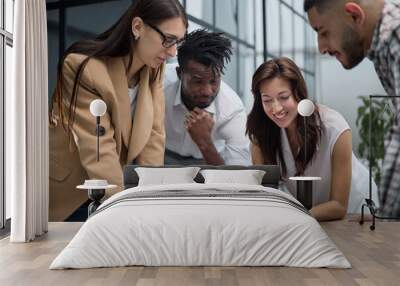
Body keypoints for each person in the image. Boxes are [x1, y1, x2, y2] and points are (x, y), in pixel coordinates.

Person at [49, 0, 187, 221]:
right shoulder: (83, 67)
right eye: (167, 40)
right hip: (74, 195)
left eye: (178, 42)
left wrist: (152, 200)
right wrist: (128, 212)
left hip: (119, 192)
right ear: (138, 27)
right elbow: (98, 150)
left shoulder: (153, 70)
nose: (172, 52)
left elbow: (154, 137)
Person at [247, 57, 379, 221]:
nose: (276, 108)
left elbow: (338, 206)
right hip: (310, 214)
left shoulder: (334, 127)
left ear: (298, 94)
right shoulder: (261, 135)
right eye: (267, 100)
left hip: (356, 209)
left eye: (284, 97)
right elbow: (263, 193)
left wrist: (290, 217)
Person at [303, 0, 400, 216]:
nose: (321, 47)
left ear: (355, 15)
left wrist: (389, 226)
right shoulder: (383, 49)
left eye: (323, 32)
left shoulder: (396, 34)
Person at [163, 29, 251, 166]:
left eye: (214, 81)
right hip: (162, 153)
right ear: (180, 73)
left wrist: (204, 142)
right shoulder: (160, 85)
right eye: (198, 81)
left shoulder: (233, 110)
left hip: (209, 160)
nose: (207, 91)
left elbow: (237, 176)